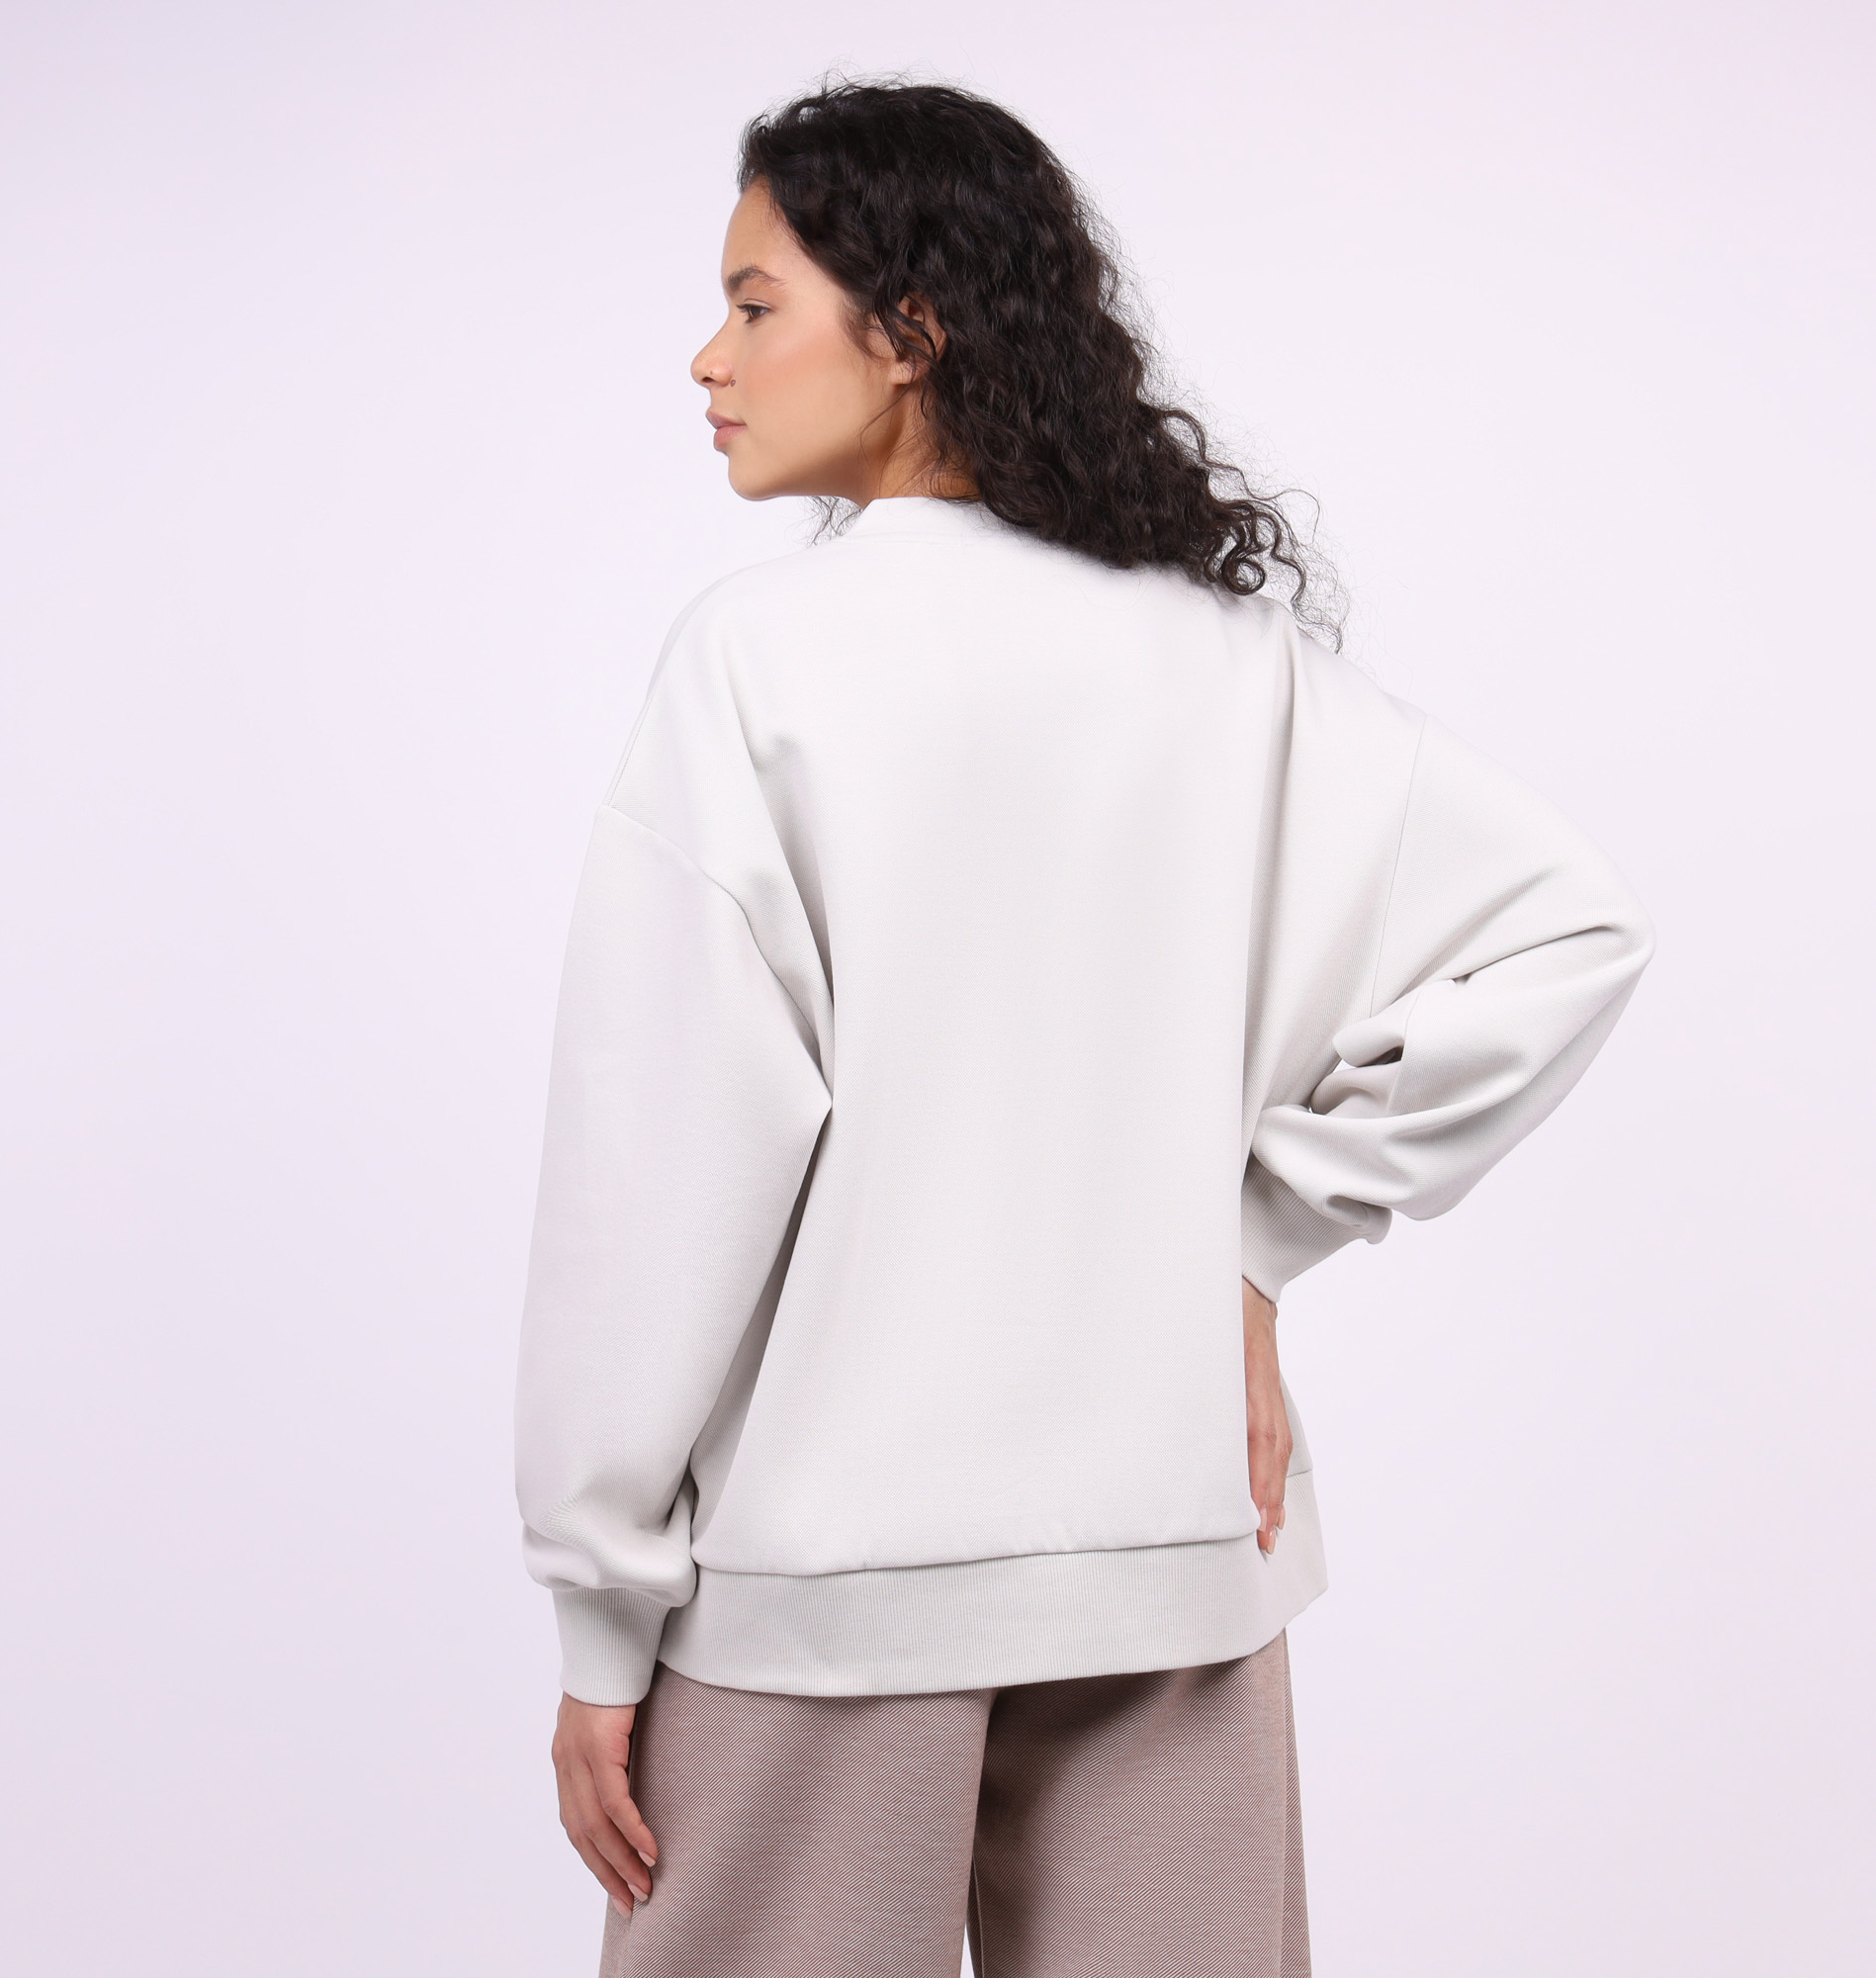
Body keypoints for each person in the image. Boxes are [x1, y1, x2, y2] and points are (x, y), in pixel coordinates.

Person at [514, 80, 1653, 1978]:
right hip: (1176, 1558)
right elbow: (1568, 927)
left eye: (754, 303)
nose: (708, 357)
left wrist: (598, 1610)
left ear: (911, 329)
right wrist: (1259, 1240)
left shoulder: (759, 662)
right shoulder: (1229, 665)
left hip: (827, 1588)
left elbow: (661, 1171)